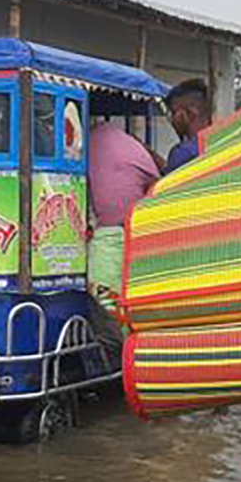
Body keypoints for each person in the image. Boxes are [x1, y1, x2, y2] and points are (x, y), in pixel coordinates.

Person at [86, 118, 162, 347]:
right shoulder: (129, 143)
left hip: (110, 235)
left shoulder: (85, 145)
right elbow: (157, 182)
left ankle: (118, 355)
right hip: (140, 232)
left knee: (103, 299)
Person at [164, 78, 212, 172]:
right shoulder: (222, 142)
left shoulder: (182, 152)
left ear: (190, 113)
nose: (172, 120)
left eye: (173, 112)